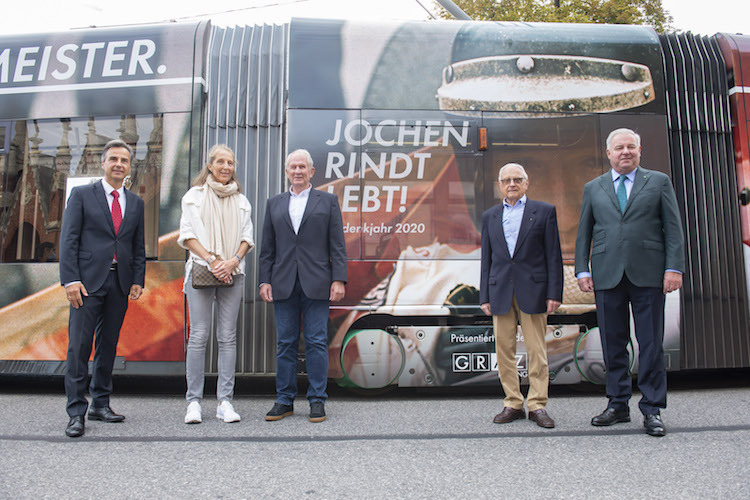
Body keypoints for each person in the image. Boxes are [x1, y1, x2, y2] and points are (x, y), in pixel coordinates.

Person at [575, 128, 685, 437]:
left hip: (649, 273)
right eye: (619, 147)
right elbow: (584, 232)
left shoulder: (659, 182)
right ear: (608, 153)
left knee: (650, 343)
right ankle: (618, 404)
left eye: (631, 147)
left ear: (640, 151)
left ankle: (652, 409)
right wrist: (582, 270)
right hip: (608, 274)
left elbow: (673, 229)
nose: (626, 151)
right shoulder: (593, 188)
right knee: (613, 343)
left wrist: (673, 268)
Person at [59, 139, 146, 438]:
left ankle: (101, 404)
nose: (119, 164)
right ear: (103, 163)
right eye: (113, 159)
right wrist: (70, 280)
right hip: (85, 283)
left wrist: (138, 279)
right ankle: (76, 412)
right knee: (79, 347)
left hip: (119, 282)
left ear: (129, 166)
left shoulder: (135, 203)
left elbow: (137, 246)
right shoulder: (83, 195)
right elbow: (68, 240)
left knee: (108, 345)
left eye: (124, 160)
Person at [259, 149, 347, 423]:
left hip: (317, 282)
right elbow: (267, 249)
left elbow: (337, 244)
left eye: (302, 167)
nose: (297, 171)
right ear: (287, 172)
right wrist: (264, 279)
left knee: (317, 342)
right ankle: (284, 400)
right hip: (283, 283)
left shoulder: (328, 201)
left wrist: (338, 278)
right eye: (293, 167)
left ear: (311, 171)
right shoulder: (274, 203)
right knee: (285, 343)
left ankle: (317, 400)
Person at [480, 163, 563, 428]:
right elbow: (487, 259)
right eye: (506, 180)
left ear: (526, 183)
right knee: (503, 350)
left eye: (517, 179)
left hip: (534, 290)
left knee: (536, 350)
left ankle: (537, 405)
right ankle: (513, 403)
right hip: (500, 290)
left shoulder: (544, 212)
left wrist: (554, 292)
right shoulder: (490, 216)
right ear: (500, 185)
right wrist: (485, 296)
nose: (512, 184)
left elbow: (553, 256)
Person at [178, 144, 254, 424]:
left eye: (230, 163)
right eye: (220, 162)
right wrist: (213, 261)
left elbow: (248, 237)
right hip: (201, 270)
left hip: (233, 272)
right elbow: (187, 236)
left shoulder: (242, 201)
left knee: (227, 337)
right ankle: (194, 402)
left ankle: (225, 402)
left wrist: (232, 261)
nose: (226, 167)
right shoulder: (194, 197)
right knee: (198, 336)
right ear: (209, 166)